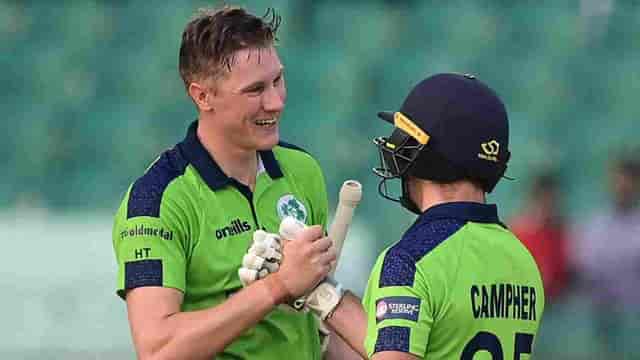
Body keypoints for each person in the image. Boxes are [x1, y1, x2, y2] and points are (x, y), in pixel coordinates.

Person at [111, 6, 355, 359]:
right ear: (202, 96)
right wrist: (278, 285)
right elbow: (157, 349)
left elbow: (316, 323)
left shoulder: (302, 170)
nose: (276, 102)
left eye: (277, 80)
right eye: (255, 89)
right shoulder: (157, 202)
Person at [250, 73, 546, 359]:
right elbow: (412, 345)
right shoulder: (522, 259)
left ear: (429, 154)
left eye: (404, 137)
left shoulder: (408, 262)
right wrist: (319, 295)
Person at [571, 152, 640, 357]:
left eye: (629, 180)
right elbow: (580, 275)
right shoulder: (593, 227)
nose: (623, 186)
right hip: (598, 324)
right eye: (619, 180)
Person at [510, 171, 570, 302]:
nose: (548, 205)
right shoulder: (517, 235)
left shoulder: (563, 235)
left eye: (552, 199)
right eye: (543, 199)